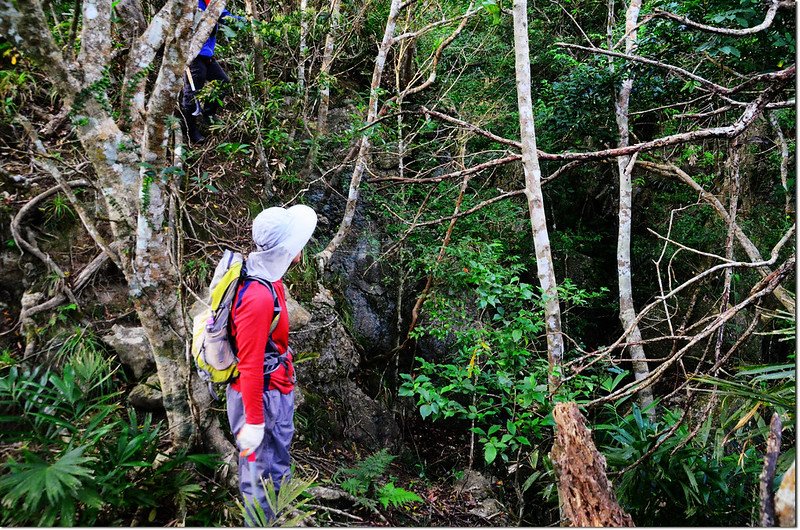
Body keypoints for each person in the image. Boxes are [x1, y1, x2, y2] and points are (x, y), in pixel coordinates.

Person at [227, 204, 317, 524]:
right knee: (257, 477)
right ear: (289, 250)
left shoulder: (270, 276)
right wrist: (252, 423)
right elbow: (250, 364)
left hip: (276, 387)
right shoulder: (258, 295)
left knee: (277, 464)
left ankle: (278, 519)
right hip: (259, 396)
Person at [181, 0, 239, 144]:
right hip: (192, 55)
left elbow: (226, 16)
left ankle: (208, 113)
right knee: (192, 92)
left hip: (207, 56)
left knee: (222, 82)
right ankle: (190, 130)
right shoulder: (193, 4)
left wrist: (244, 21)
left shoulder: (213, 3)